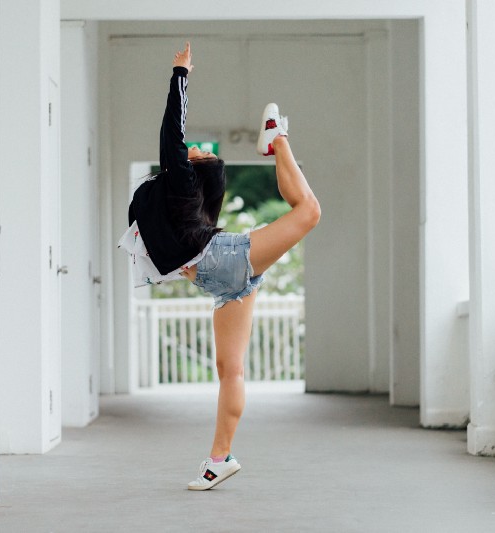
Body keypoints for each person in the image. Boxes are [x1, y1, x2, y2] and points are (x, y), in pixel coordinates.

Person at [118, 42, 321, 490]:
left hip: (219, 272)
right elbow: (174, 140)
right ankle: (219, 460)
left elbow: (172, 130)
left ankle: (277, 138)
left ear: (196, 170)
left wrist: (180, 75)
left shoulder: (181, 186)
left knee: (309, 212)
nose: (191, 148)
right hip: (224, 267)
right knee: (232, 370)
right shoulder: (181, 197)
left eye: (197, 153)